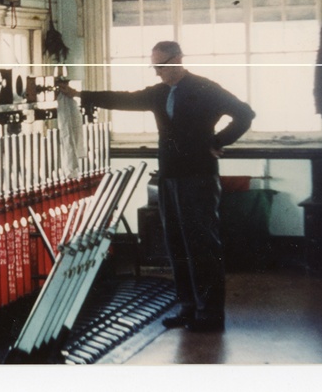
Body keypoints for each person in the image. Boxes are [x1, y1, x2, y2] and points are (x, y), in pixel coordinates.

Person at [58, 40, 255, 332]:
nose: (157, 72)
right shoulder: (159, 93)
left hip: (198, 177)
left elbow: (245, 113)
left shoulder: (205, 88)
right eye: (154, 66)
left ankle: (210, 315)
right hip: (168, 176)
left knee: (201, 246)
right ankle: (188, 308)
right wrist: (79, 95)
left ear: (177, 60)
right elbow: (124, 99)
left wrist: (218, 141)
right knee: (176, 245)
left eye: (160, 66)